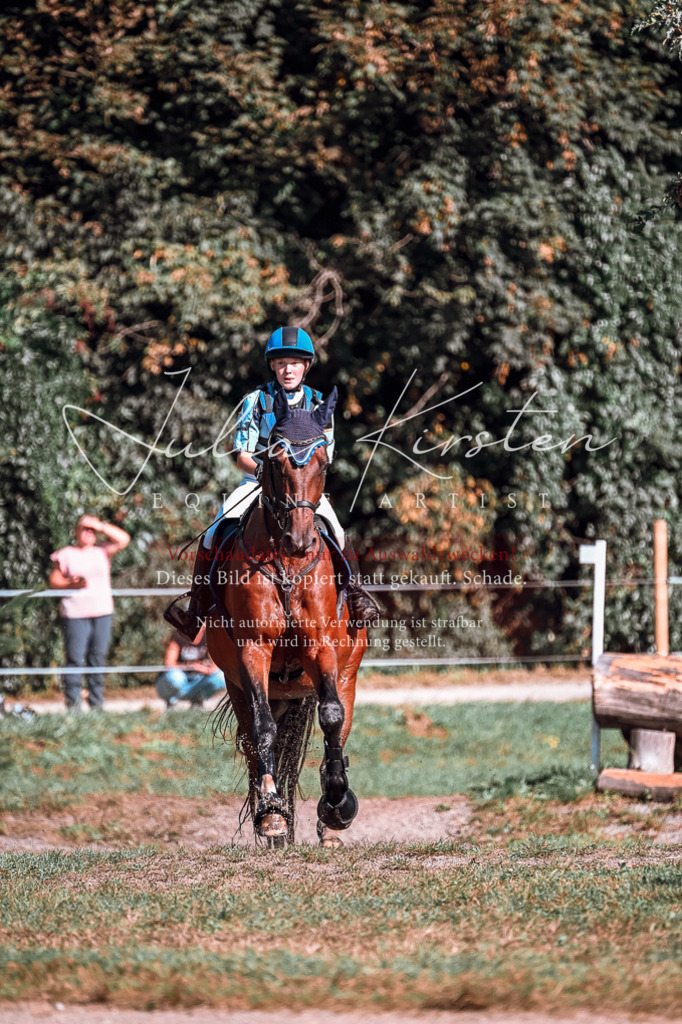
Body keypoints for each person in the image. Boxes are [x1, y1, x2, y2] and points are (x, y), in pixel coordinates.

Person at [165, 326, 380, 640]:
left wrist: (297, 477)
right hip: (257, 480)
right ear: (272, 366)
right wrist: (268, 475)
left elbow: (324, 456)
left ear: (306, 366)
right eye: (281, 363)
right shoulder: (255, 400)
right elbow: (242, 454)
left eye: (294, 362)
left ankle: (358, 598)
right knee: (214, 530)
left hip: (303, 488)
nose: (288, 369)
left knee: (336, 528)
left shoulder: (320, 405)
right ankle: (197, 608)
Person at [49, 515, 130, 711]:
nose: (88, 532)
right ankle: (73, 704)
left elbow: (124, 540)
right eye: (84, 528)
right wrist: (72, 583)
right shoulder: (66, 554)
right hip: (75, 614)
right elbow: (54, 581)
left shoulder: (102, 551)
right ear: (75, 531)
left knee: (97, 658)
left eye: (91, 530)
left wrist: (100, 524)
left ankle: (96, 703)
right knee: (75, 658)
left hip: (102, 612)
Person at [155, 624, 225, 709]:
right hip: (179, 679)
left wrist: (206, 669)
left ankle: (198, 699)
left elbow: (215, 664)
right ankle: (172, 700)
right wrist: (191, 666)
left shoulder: (208, 636)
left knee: (221, 677)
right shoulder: (178, 636)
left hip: (197, 680)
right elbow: (169, 663)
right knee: (176, 677)